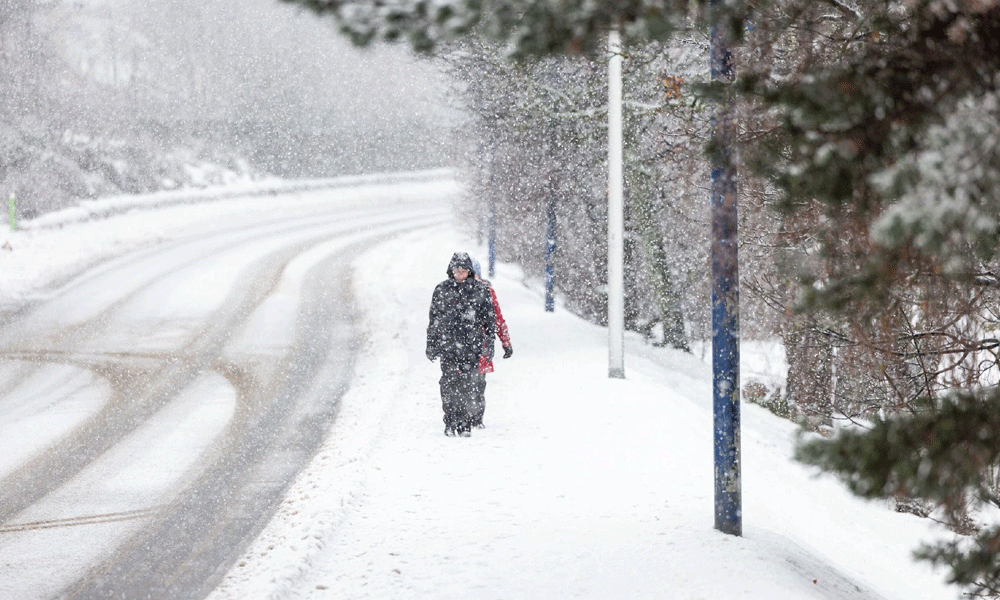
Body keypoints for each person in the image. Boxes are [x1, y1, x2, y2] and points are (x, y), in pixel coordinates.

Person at [426, 252, 496, 437]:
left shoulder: (481, 291)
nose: (460, 274)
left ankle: (465, 421)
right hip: (448, 345)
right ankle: (450, 420)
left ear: (469, 271)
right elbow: (434, 319)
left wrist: (489, 343)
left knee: (467, 384)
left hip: (471, 346)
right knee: (448, 384)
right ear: (451, 271)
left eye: (463, 271)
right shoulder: (441, 290)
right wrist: (431, 343)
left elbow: (489, 320)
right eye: (457, 271)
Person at [469, 258, 512, 428]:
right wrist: (506, 342)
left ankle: (473, 416)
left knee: (473, 383)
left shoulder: (485, 291)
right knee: (475, 383)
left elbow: (497, 319)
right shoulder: (484, 291)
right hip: (476, 345)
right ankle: (474, 417)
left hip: (479, 344)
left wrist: (505, 342)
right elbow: (498, 320)